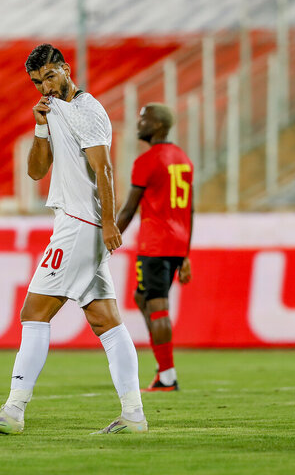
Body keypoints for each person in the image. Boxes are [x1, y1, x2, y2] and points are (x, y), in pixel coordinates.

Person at [0, 44, 147, 435]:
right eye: (36, 82)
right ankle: (133, 415)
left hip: (81, 224)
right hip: (80, 225)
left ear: (65, 69)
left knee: (33, 313)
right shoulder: (53, 111)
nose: (43, 87)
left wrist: (111, 223)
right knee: (106, 322)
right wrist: (39, 126)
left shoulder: (88, 110)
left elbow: (105, 168)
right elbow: (35, 171)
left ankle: (13, 411)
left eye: (49, 76)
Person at [116, 103, 193, 392]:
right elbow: (190, 210)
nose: (139, 123)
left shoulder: (147, 160)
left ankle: (167, 376)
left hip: (155, 242)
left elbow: (128, 210)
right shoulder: (183, 159)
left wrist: (107, 241)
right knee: (142, 297)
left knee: (157, 305)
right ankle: (164, 368)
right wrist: (185, 255)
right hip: (176, 242)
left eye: (144, 119)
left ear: (159, 125)